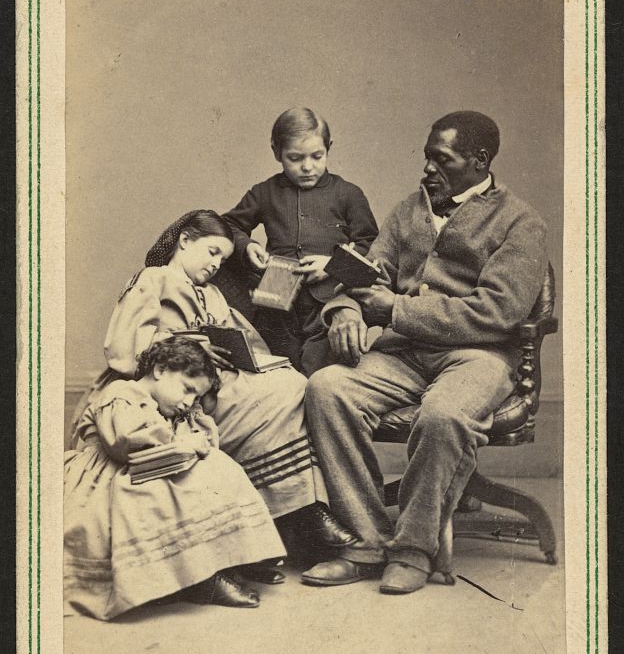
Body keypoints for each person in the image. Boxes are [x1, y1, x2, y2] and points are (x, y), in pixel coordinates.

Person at [302, 111, 548, 595]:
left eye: (443, 160)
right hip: (405, 354)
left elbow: (497, 312)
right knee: (326, 389)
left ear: (479, 161)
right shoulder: (409, 210)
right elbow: (362, 273)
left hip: (479, 357)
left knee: (442, 416)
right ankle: (366, 542)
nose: (428, 171)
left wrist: (395, 309)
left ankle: (414, 549)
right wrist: (345, 310)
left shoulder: (522, 223)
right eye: (426, 158)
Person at [83, 209, 355, 558]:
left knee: (293, 384)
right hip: (167, 386)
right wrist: (191, 345)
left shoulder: (212, 294)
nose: (216, 265)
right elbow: (123, 349)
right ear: (185, 240)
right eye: (212, 252)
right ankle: (298, 515)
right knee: (286, 393)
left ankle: (300, 510)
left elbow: (248, 342)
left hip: (216, 384)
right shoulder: (154, 279)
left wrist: (245, 355)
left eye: (223, 259)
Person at [65, 336, 288, 619]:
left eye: (194, 397)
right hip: (111, 475)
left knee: (218, 466)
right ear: (160, 370)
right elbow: (127, 443)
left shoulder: (167, 406)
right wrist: (183, 445)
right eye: (187, 390)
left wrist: (193, 430)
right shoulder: (121, 394)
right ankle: (201, 578)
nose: (188, 402)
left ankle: (232, 559)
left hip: (149, 466)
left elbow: (181, 441)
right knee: (170, 489)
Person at [223, 107, 378, 375]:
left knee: (320, 372)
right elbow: (228, 225)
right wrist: (248, 246)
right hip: (275, 300)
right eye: (295, 158)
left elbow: (373, 247)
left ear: (329, 148)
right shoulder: (265, 192)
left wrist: (333, 265)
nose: (307, 167)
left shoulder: (349, 194)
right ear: (276, 152)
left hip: (329, 305)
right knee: (279, 369)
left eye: (317, 156)